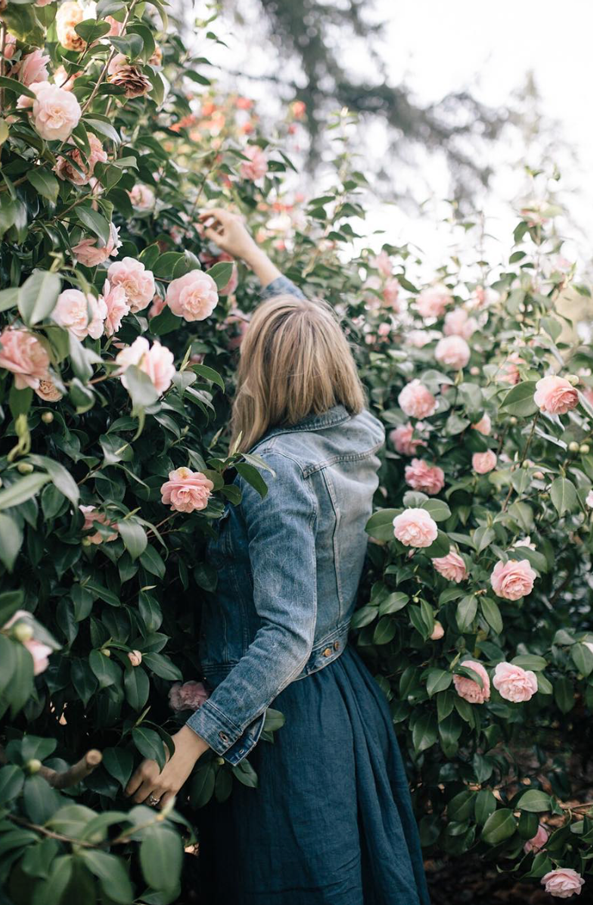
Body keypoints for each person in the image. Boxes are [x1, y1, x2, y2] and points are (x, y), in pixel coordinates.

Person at [126, 210, 430, 905]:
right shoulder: (357, 433)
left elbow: (287, 631)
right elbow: (308, 323)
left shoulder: (277, 471)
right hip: (341, 696)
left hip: (285, 727)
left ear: (263, 372)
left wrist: (191, 742)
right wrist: (252, 255)